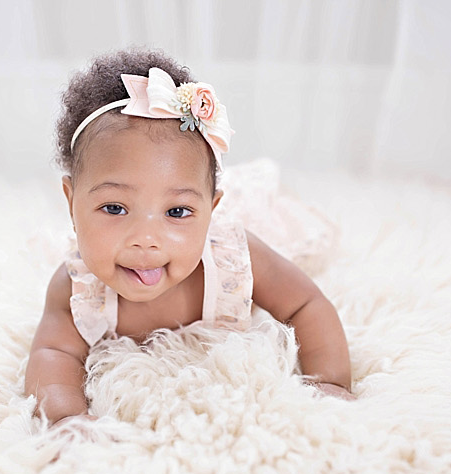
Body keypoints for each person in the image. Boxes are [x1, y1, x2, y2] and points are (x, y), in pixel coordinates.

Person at [25, 48, 353, 428]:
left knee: (286, 221)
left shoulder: (235, 256)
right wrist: (67, 419)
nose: (146, 239)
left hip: (243, 226)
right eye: (114, 208)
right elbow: (52, 354)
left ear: (211, 211)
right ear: (71, 202)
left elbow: (306, 304)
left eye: (177, 212)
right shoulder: (77, 288)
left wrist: (330, 382)